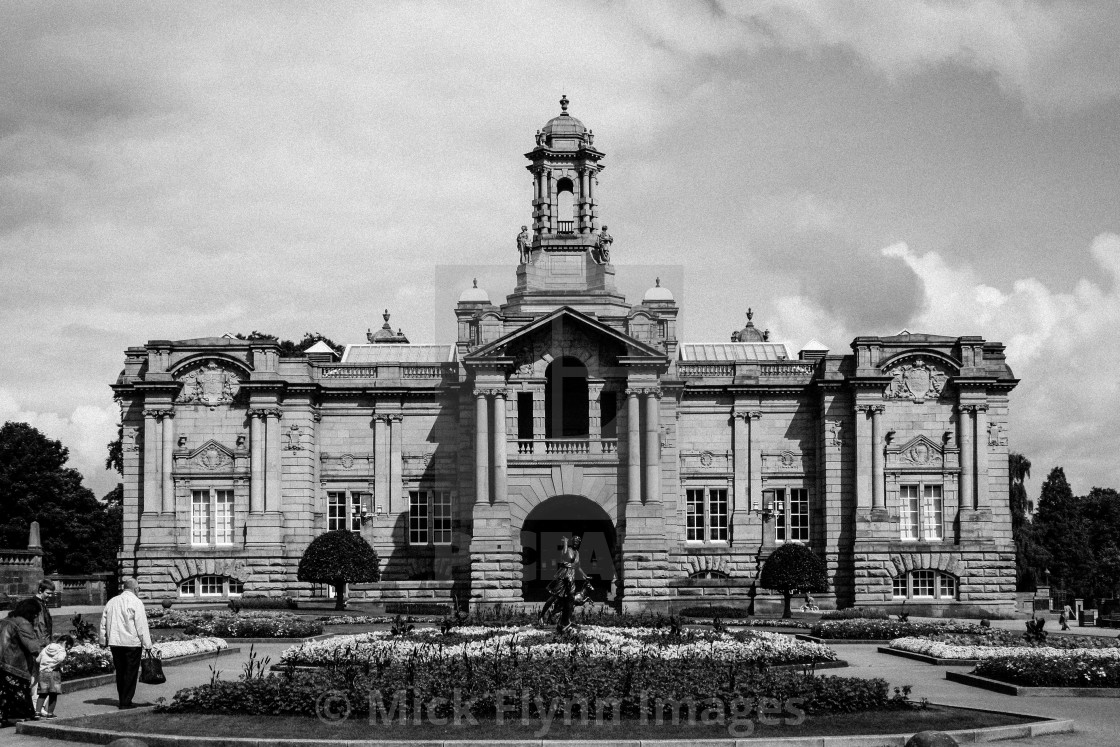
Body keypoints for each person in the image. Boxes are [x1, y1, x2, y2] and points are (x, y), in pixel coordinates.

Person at [99, 578, 153, 709]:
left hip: (115, 642)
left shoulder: (112, 601)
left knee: (121, 671)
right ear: (135, 589)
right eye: (138, 589)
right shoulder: (136, 602)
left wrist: (102, 640)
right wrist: (148, 644)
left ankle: (123, 699)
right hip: (131, 642)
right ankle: (126, 701)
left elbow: (103, 622)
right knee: (130, 672)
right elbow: (141, 626)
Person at [0, 601, 42, 727]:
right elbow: (32, 646)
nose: (36, 617)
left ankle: (4, 717)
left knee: (4, 692)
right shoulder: (23, 623)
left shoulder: (6, 620)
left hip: (2, 661)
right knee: (18, 691)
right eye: (35, 614)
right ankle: (17, 716)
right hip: (14, 663)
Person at [538, 536, 585, 627]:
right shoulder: (569, 549)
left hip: (571, 576)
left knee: (570, 598)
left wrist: (585, 576)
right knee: (555, 596)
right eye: (574, 541)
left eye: (578, 542)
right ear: (572, 542)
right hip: (563, 575)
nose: (576, 543)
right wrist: (565, 543)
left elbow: (577, 566)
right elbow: (563, 554)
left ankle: (567, 620)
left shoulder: (577, 553)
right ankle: (542, 615)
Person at [35, 635, 74, 719]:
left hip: (43, 672)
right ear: (65, 643)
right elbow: (60, 659)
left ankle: (37, 713)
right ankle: (50, 713)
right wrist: (53, 665)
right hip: (54, 672)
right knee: (53, 694)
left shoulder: (47, 647)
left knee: (42, 693)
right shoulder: (61, 650)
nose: (67, 649)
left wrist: (45, 664)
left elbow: (37, 660)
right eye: (68, 647)